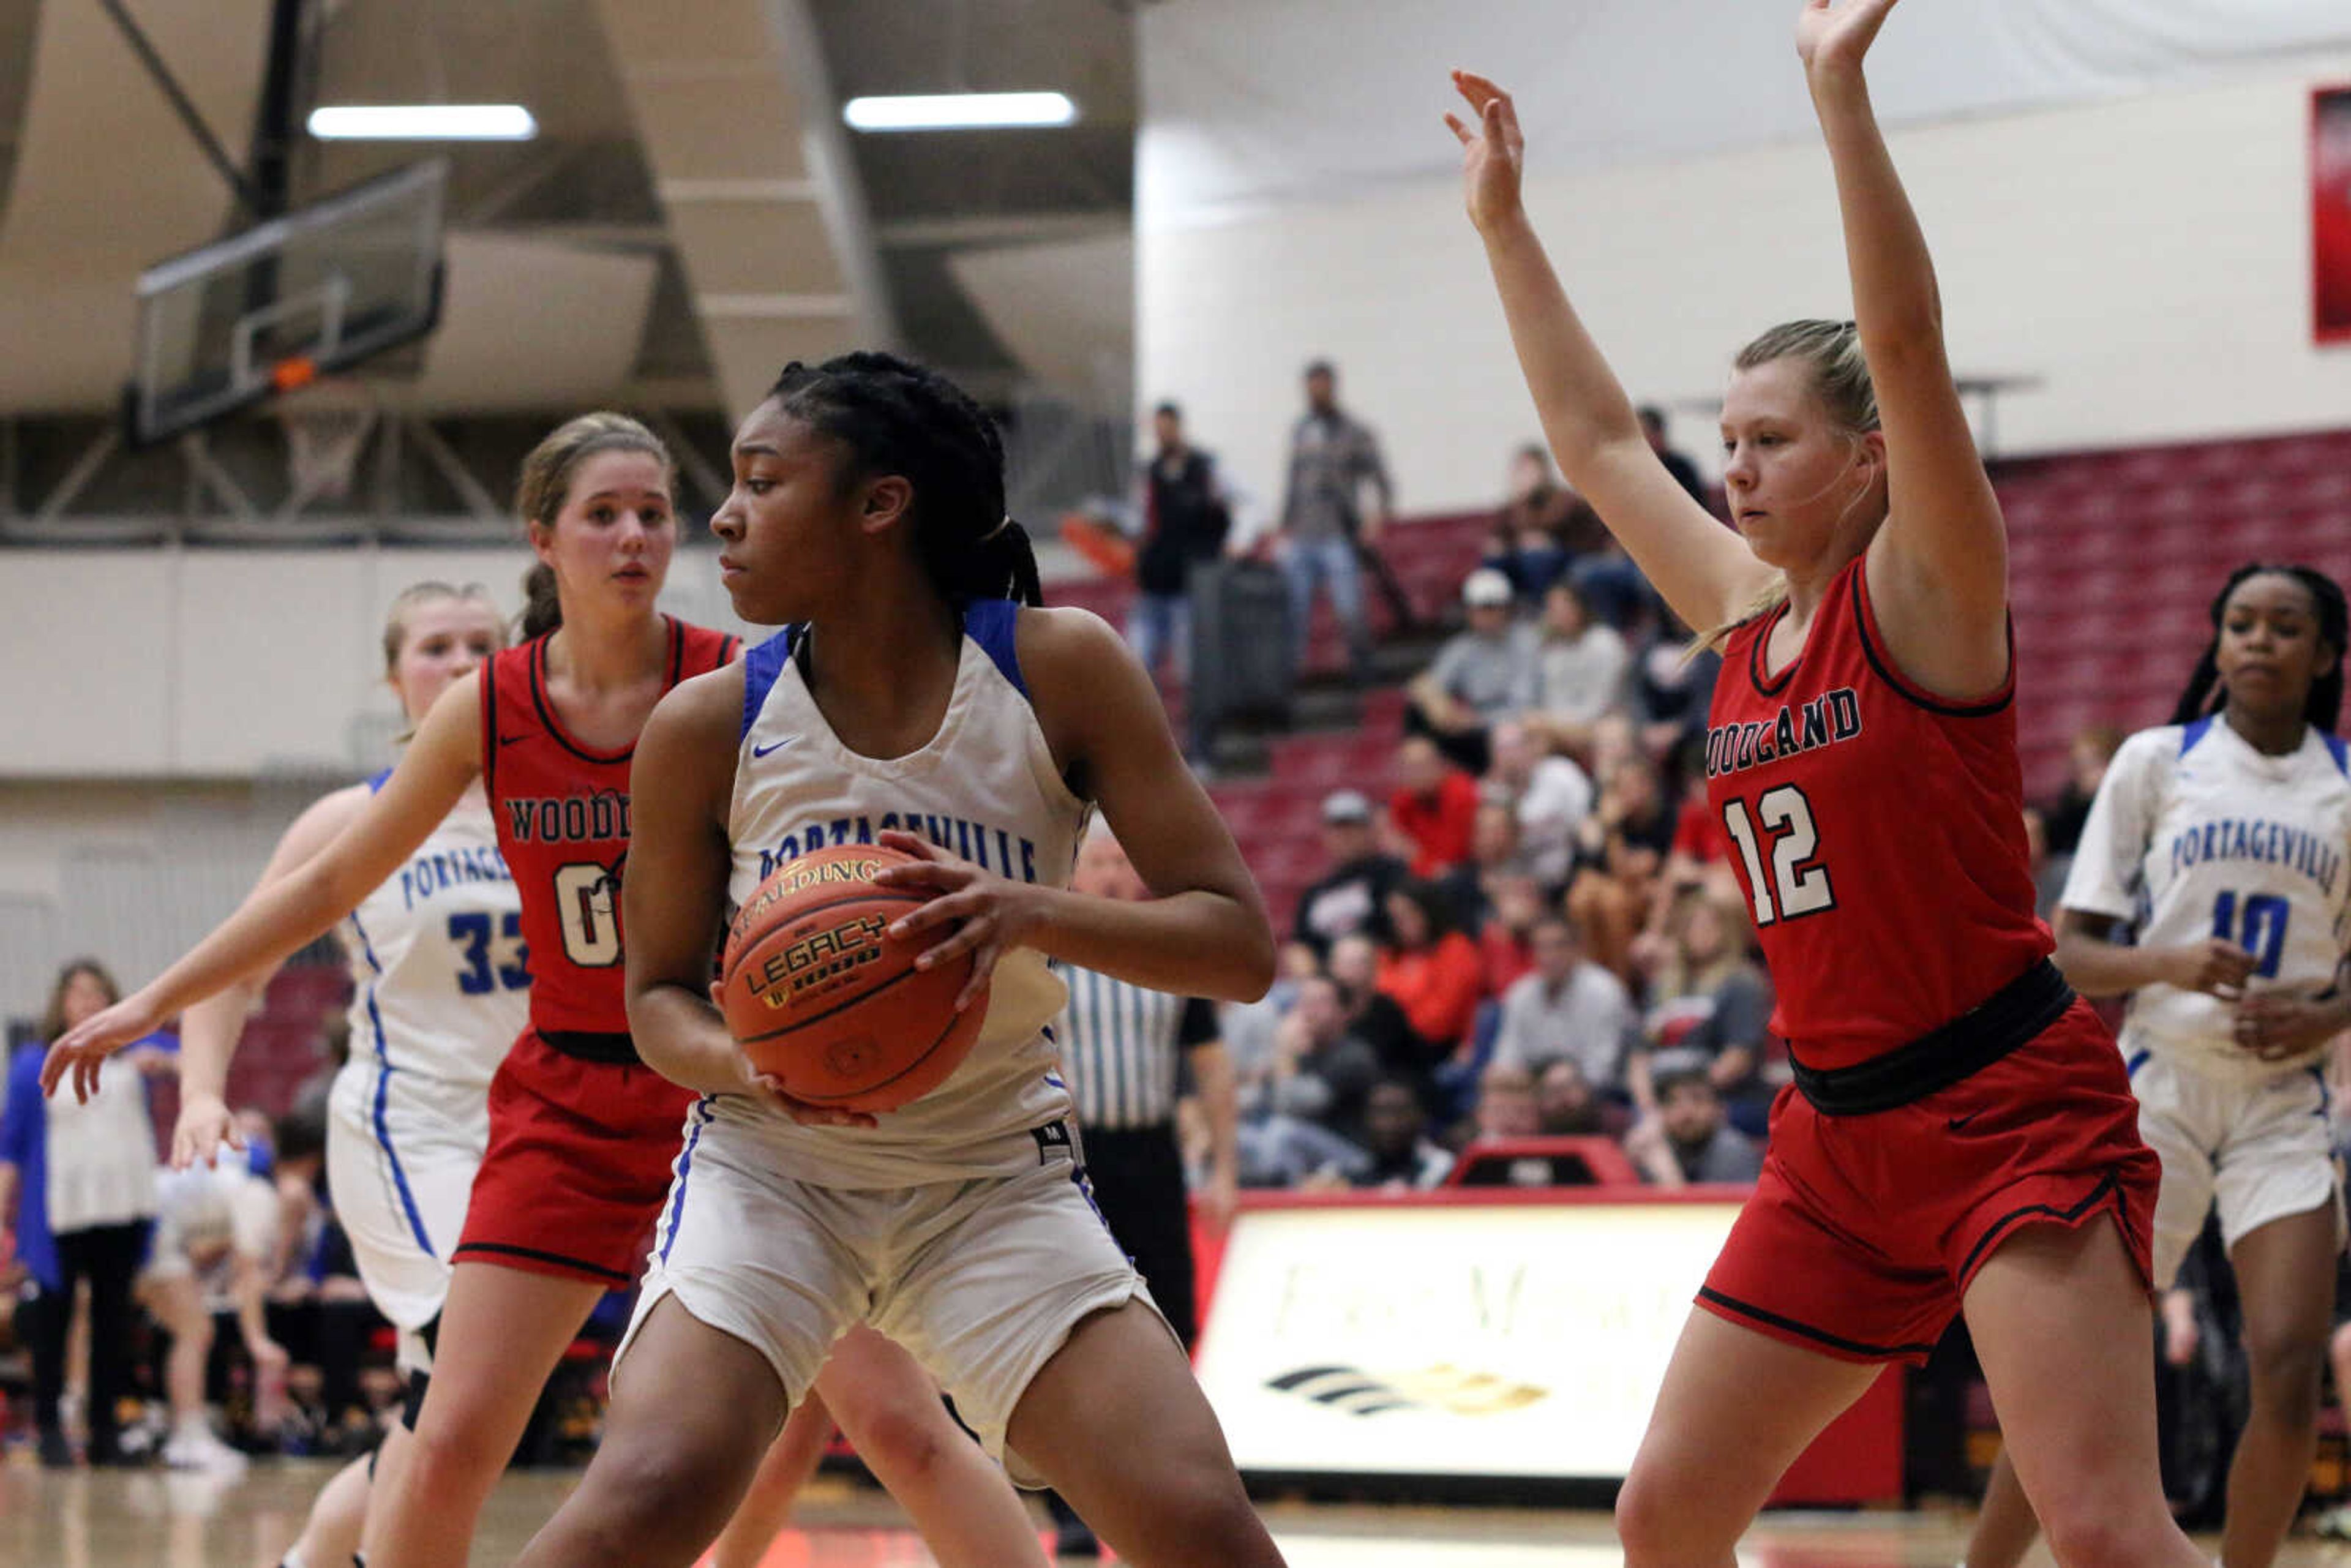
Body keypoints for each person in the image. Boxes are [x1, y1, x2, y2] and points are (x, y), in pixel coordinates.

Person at [1450, 2, 2202, 1558]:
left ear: (1865, 460)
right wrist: (1503, 227)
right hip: (1833, 1140)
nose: (1728, 468)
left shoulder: (1926, 590)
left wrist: (1834, 93)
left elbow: (1906, 343)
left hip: (2005, 1113)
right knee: (1663, 1512)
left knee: (2104, 1531)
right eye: (1723, 440)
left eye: (1766, 439)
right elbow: (1597, 444)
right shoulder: (1737, 613)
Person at [45, 414, 1045, 1568]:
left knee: (899, 1425)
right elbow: (329, 879)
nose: (634, 536)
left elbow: (863, 836)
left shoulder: (745, 679)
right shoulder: (492, 706)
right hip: (567, 1095)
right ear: (546, 538)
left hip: (734, 1096)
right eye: (603, 514)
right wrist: (152, 1003)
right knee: (453, 1432)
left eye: (655, 513)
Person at [503, 350, 1284, 1568]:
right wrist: (760, 1063)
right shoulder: (709, 722)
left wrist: (1024, 910)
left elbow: (1237, 946)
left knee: (1199, 1523)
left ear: (879, 505)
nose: (723, 514)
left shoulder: (1055, 666)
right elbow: (654, 998)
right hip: (775, 1172)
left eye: (762, 482)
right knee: (648, 1489)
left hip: (991, 1177)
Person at [1963, 563, 2351, 1568]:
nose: (2259, 642)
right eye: (2241, 624)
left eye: (2284, 627)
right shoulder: (2155, 762)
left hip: (2282, 1099)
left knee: (2289, 1356)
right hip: (2158, 1086)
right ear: (2217, 644)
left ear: (2326, 657)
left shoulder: (2346, 785)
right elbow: (2075, 946)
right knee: (2075, 1375)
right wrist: (2173, 961)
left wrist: (2324, 1015)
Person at [0, 961, 170, 1467]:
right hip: (58, 1211)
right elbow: (10, 1146)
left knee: (112, 1321)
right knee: (52, 1320)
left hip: (122, 1209)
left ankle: (105, 1429)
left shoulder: (135, 1059)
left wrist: (163, 1063)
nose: (89, 1002)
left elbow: (187, 1057)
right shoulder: (34, 1062)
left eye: (99, 993)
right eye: (78, 993)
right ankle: (50, 1426)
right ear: (61, 1002)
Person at [140, 1145, 288, 1472]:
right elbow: (249, 1271)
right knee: (196, 1331)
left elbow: (201, 1251)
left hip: (140, 1220)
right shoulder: (257, 1192)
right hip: (152, 1230)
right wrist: (257, 1340)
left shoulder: (215, 1182)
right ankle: (189, 1439)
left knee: (186, 1330)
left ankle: (172, 1429)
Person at [1278, 358, 1395, 683]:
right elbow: (1292, 483)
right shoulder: (1301, 431)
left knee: (1350, 607)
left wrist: (1376, 519)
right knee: (1293, 610)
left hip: (1337, 532)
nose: (1316, 392)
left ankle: (1363, 670)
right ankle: (1291, 681)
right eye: (1311, 387)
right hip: (1302, 534)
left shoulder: (1354, 431)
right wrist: (1284, 526)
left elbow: (1380, 479)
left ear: (1332, 387)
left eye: (1321, 385)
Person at [1126, 401, 1238, 685]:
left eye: (1168, 428)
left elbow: (1230, 511)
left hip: (1190, 582)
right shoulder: (1149, 473)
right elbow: (1140, 523)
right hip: (1154, 581)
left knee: (1190, 669)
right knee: (1137, 665)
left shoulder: (1204, 469)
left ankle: (1197, 725)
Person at [1404, 568, 1536, 775]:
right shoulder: (1463, 647)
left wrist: (1476, 721)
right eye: (1477, 608)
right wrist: (1443, 709)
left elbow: (1523, 704)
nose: (1483, 614)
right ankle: (1422, 769)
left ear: (1506, 608)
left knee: (1506, 734)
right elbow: (1428, 684)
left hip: (1512, 723)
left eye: (1490, 607)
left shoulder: (1526, 642)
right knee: (1418, 710)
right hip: (1473, 726)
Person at [1292, 789, 1410, 958]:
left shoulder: (1393, 874)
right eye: (1337, 829)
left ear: (1370, 830)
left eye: (1353, 828)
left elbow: (1402, 929)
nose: (1345, 836)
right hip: (1325, 978)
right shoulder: (1315, 892)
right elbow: (1299, 945)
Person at [1624, 1068, 1764, 1188]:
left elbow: (1709, 1215)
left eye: (1698, 1100)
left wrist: (1666, 1172)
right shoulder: (1651, 1146)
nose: (1686, 1112)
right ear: (1661, 1112)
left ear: (1720, 1110)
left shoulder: (1733, 1150)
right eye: (1673, 1101)